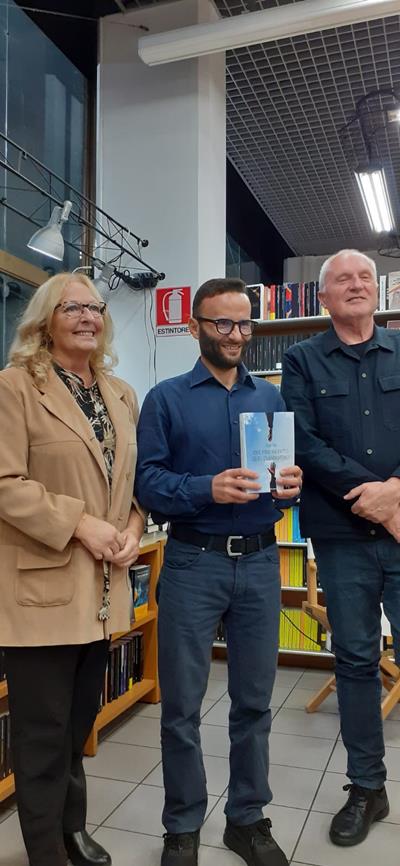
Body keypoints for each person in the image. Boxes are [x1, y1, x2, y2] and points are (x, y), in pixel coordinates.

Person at [135, 277, 302, 866]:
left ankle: (246, 820)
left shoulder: (269, 399)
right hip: (191, 562)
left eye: (245, 324)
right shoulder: (166, 399)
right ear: (195, 327)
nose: (237, 335)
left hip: (259, 562)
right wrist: (207, 488)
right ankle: (181, 827)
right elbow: (147, 484)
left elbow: (281, 488)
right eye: (224, 324)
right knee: (181, 707)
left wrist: (289, 490)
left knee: (254, 703)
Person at [0, 272, 145, 866]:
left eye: (96, 307)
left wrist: (134, 529)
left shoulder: (120, 392)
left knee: (78, 724)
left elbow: (131, 484)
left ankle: (71, 829)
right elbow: (5, 483)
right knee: (40, 736)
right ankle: (45, 853)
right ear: (45, 318)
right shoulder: (13, 388)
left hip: (104, 592)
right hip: (42, 593)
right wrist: (82, 524)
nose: (88, 317)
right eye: (73, 307)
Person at [281, 249, 400, 848]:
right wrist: (373, 497)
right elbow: (303, 440)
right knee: (355, 661)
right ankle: (366, 789)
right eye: (341, 281)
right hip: (343, 538)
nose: (355, 286)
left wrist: (396, 493)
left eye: (363, 278)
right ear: (322, 297)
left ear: (375, 292)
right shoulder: (300, 360)